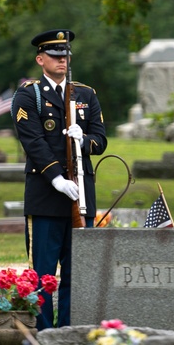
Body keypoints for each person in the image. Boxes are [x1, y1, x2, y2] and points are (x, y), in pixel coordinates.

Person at [11, 29, 108, 330]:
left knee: (76, 271)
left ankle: (69, 331)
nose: (62, 60)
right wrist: (55, 178)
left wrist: (84, 140)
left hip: (81, 194)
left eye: (65, 54)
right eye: (55, 55)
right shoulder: (29, 96)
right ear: (41, 59)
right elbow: (34, 142)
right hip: (46, 195)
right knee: (43, 274)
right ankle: (43, 334)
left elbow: (101, 141)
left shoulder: (85, 94)